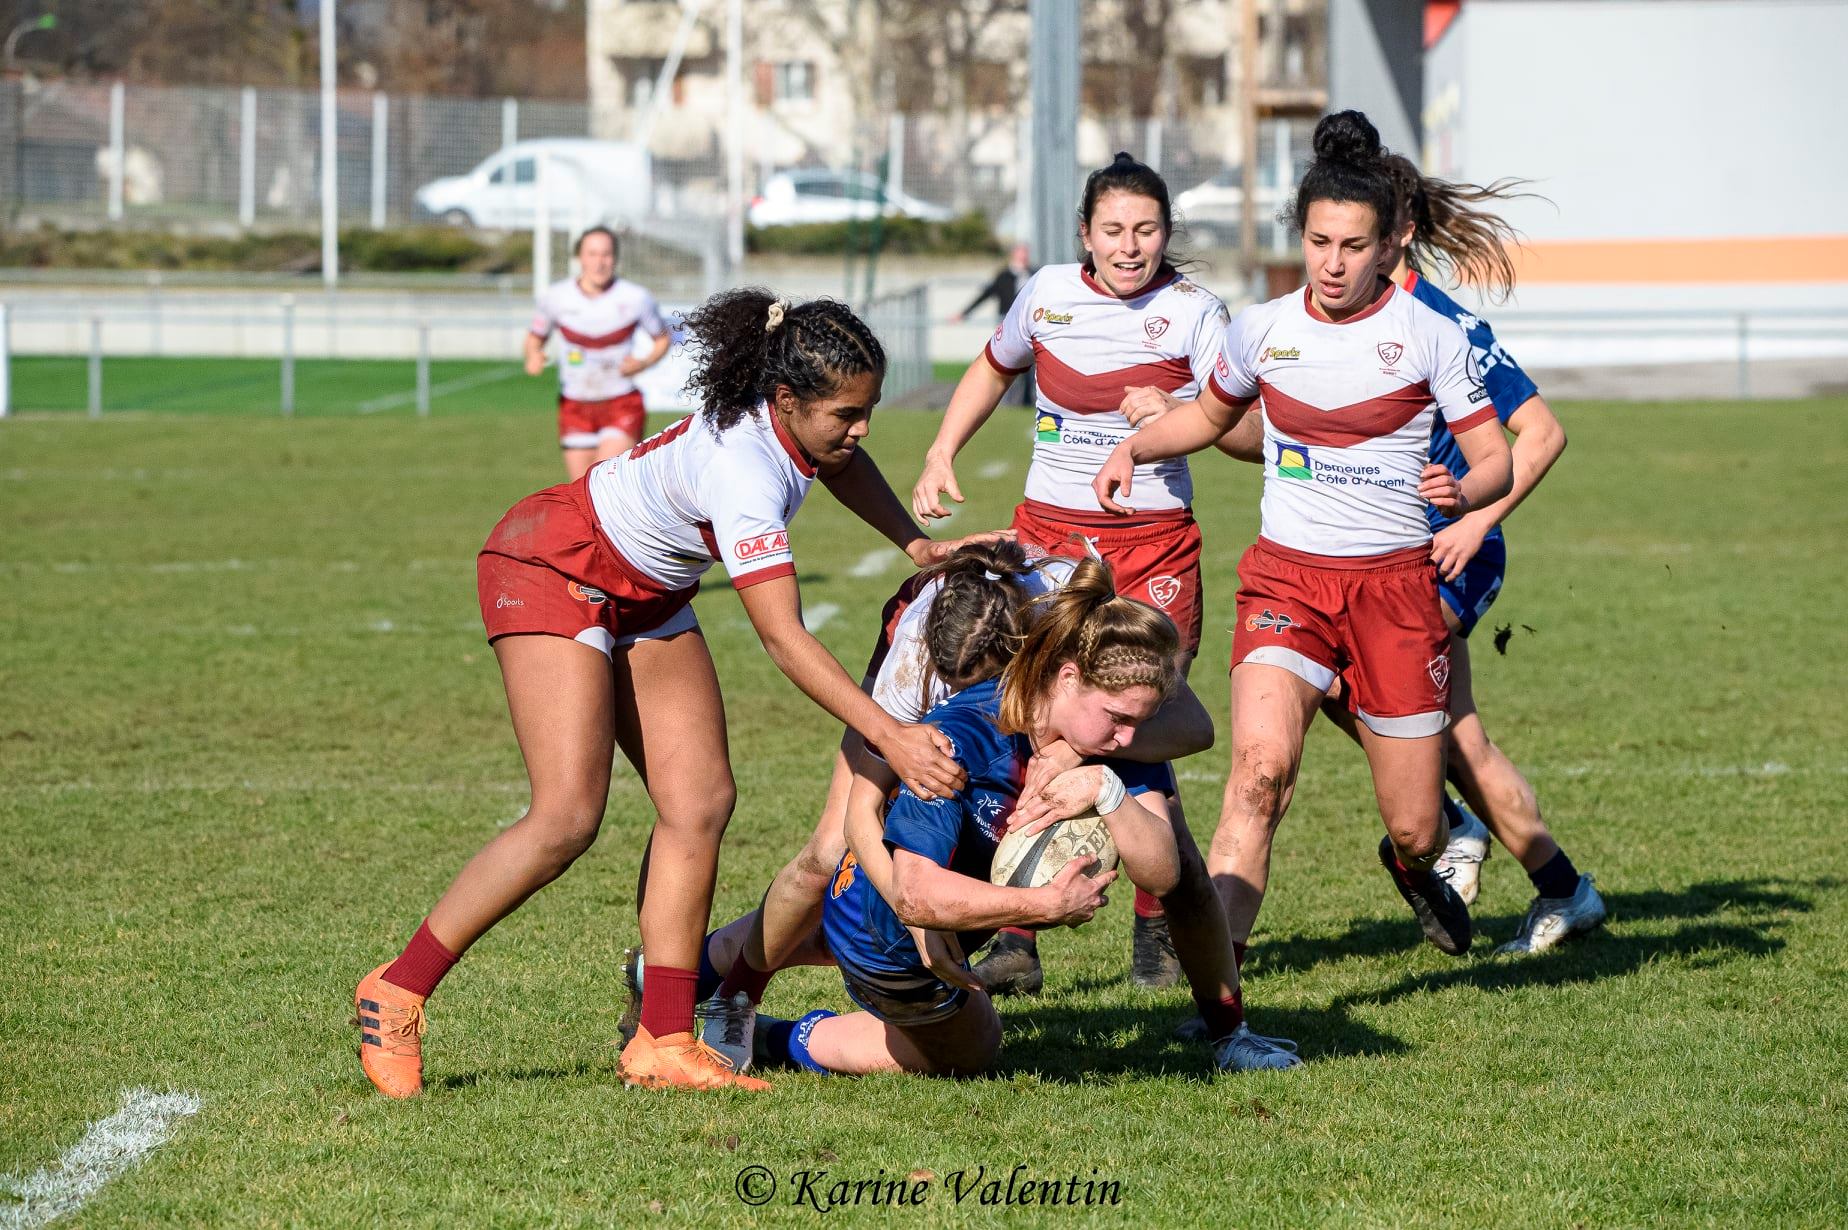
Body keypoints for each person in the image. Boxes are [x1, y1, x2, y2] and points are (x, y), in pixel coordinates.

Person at [354, 288, 993, 1097]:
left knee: (699, 803)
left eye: (866, 409)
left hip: (646, 594)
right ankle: (398, 989)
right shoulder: (743, 471)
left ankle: (660, 1038)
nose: (861, 428)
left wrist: (917, 544)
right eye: (846, 413)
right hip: (553, 566)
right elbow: (784, 639)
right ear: (786, 400)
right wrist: (892, 736)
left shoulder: (799, 435)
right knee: (566, 817)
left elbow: (844, 463)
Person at [1093, 111, 1515, 979]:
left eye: (1352, 245)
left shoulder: (1432, 334)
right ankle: (1218, 1000)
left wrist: (1463, 491)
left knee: (1417, 824)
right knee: (1257, 777)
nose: (1332, 262)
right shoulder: (1263, 329)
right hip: (1287, 580)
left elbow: (1496, 456)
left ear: (1389, 244)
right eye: (1319, 241)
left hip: (1396, 591)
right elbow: (1209, 419)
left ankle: (1408, 866)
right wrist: (1135, 445)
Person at [650, 540, 1222, 1064]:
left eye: (990, 684)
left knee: (1178, 857)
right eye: (963, 688)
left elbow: (1193, 728)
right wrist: (923, 919)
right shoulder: (923, 684)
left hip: (1057, 705)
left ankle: (1229, 1026)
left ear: (1035, 663)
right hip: (897, 844)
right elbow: (862, 814)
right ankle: (738, 1000)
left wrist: (1089, 766)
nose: (985, 700)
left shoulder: (1076, 627)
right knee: (829, 860)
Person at [912, 151, 1233, 995]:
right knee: (1042, 720)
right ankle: (1017, 924)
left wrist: (1179, 413)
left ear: (1168, 234)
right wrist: (945, 448)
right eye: (1115, 230)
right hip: (1050, 536)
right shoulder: (1049, 293)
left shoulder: (1197, 312)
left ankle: (1160, 918)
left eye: (1149, 230)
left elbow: (1245, 429)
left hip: (1154, 543)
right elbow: (992, 364)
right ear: (1086, 235)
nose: (1132, 247)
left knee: (1140, 711)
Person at [525, 227, 673, 480]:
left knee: (603, 483)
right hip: (575, 404)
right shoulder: (556, 297)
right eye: (592, 254)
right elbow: (535, 337)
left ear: (615, 258)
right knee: (581, 493)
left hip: (621, 401)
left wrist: (644, 362)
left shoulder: (636, 298)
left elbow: (662, 338)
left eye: (606, 254)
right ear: (580, 258)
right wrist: (533, 355)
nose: (599, 262)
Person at [952, 243, 1035, 406]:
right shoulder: (1004, 276)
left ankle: (1027, 400)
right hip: (1008, 324)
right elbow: (985, 294)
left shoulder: (1034, 274)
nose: (1023, 257)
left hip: (1029, 323)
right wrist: (963, 313)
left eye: (1025, 253)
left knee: (1029, 366)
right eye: (1020, 253)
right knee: (1008, 363)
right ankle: (1009, 401)